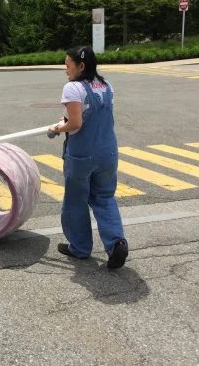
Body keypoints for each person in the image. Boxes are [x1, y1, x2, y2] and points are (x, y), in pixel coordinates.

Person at [48, 46, 128, 269]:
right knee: (104, 198)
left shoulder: (73, 88)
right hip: (108, 153)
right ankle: (117, 243)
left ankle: (80, 248)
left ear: (81, 66)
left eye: (68, 65)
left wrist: (57, 129)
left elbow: (76, 123)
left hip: (82, 155)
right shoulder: (106, 85)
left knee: (76, 201)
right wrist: (65, 121)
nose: (65, 70)